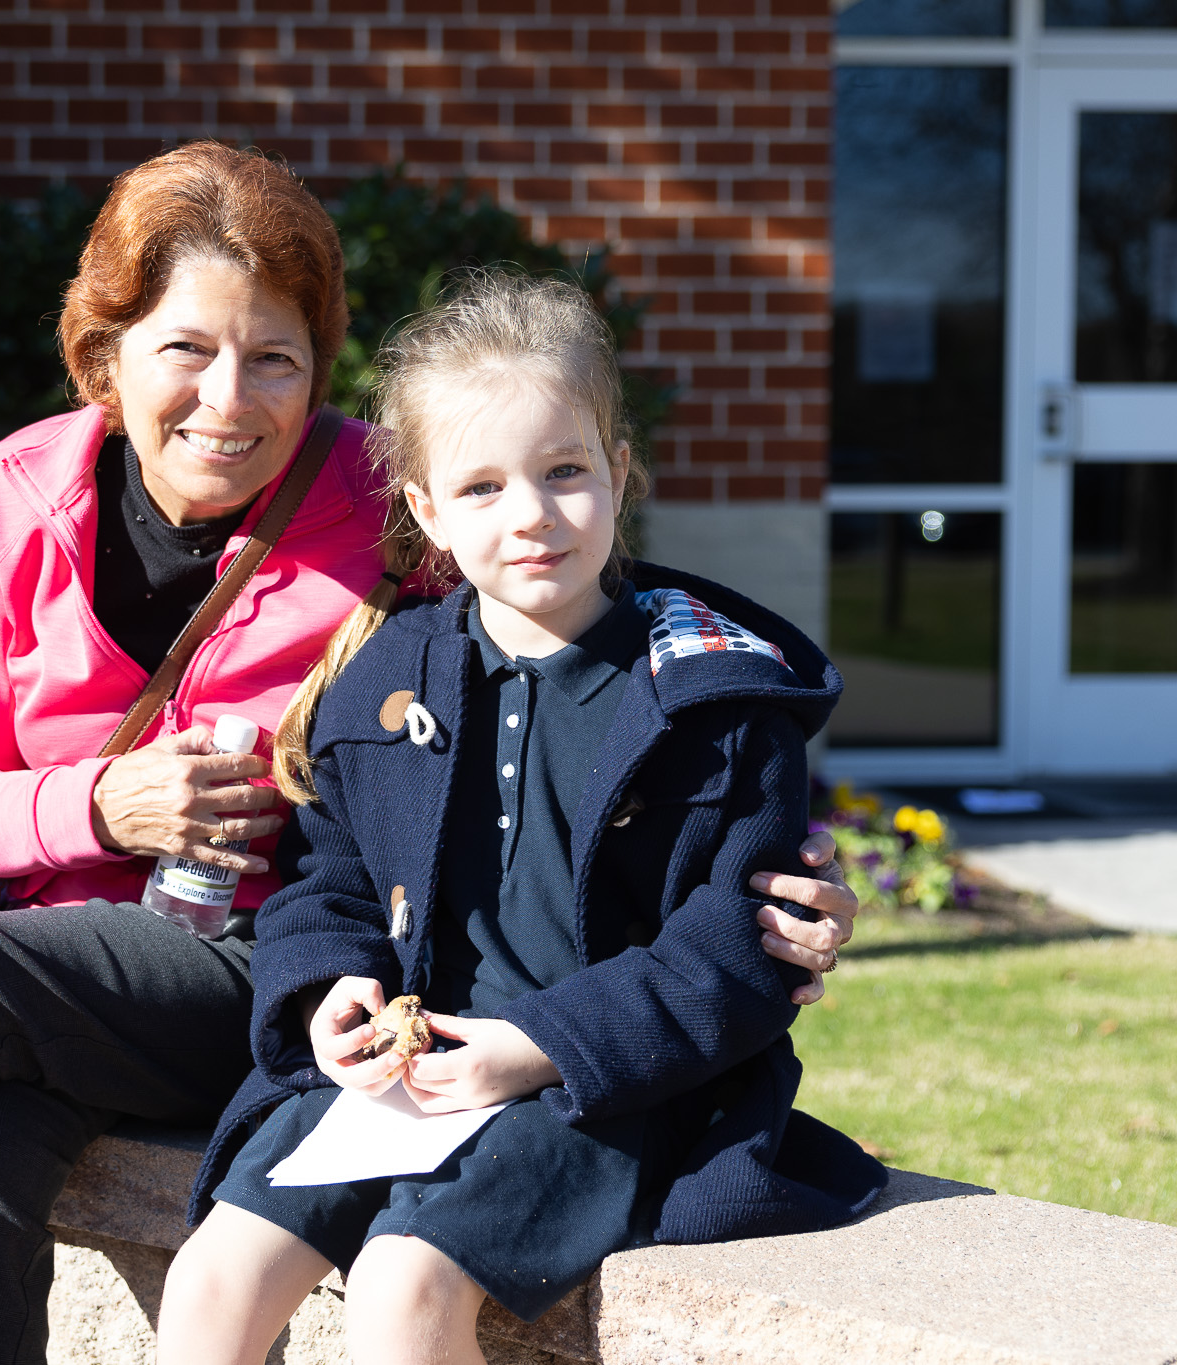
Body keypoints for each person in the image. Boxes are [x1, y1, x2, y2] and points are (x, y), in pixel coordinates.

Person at [0, 146, 858, 1365]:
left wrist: (771, 855)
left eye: (274, 358)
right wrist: (101, 808)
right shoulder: (15, 489)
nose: (230, 399)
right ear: (103, 354)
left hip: (260, 970)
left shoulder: (386, 502)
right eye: (185, 348)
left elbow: (558, 613)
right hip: (65, 970)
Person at [157, 273, 887, 1365]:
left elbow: (738, 949)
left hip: (608, 1088)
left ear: (618, 471)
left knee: (403, 1285)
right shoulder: (388, 676)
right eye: (484, 487)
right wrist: (326, 993)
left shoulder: (714, 706)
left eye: (563, 473)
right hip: (409, 1074)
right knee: (214, 1272)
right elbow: (331, 877)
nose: (532, 515)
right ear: (425, 511)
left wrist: (535, 1047)